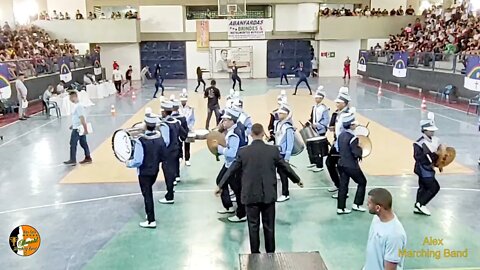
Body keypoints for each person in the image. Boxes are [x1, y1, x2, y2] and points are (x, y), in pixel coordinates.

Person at [216, 123, 303, 253]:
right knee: (269, 227)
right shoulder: (273, 150)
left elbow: (231, 169)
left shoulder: (243, 152)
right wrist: (297, 180)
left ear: (251, 135)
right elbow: (285, 167)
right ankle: (270, 255)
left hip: (250, 195)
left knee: (253, 226)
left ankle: (255, 255)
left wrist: (220, 186)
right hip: (268, 195)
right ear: (263, 134)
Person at [126, 112, 167, 228]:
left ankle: (151, 220)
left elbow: (138, 160)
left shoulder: (141, 141)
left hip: (144, 172)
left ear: (145, 125)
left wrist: (128, 163)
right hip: (155, 170)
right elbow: (163, 155)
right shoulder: (159, 138)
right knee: (148, 192)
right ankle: (148, 214)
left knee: (147, 194)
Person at [213, 109, 244, 221]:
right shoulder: (233, 130)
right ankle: (228, 206)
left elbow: (232, 153)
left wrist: (219, 149)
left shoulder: (234, 135)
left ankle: (241, 214)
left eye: (225, 120)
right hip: (229, 164)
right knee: (220, 181)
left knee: (237, 189)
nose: (223, 122)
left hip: (234, 165)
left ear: (232, 121)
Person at [364, 188, 407, 270]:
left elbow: (390, 267)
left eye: (369, 203)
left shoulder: (395, 235)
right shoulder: (376, 218)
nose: (367, 205)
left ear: (377, 208)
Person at [337, 112, 367, 214]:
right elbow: (355, 153)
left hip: (341, 164)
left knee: (343, 185)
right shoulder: (353, 138)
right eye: (354, 124)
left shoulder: (340, 135)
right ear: (351, 125)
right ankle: (357, 204)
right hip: (351, 166)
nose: (355, 125)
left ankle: (341, 208)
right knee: (362, 182)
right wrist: (360, 148)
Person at [413, 114, 441, 216]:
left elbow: (440, 151)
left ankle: (417, 205)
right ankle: (421, 204)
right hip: (423, 169)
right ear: (424, 130)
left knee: (423, 187)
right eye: (430, 130)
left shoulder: (435, 140)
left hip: (430, 169)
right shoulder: (419, 143)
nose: (432, 132)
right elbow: (418, 157)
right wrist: (432, 158)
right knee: (434, 187)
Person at [326, 90, 351, 198]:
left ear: (344, 103)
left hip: (343, 145)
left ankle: (343, 190)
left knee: (341, 167)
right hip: (336, 143)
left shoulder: (348, 115)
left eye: (338, 102)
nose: (336, 104)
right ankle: (338, 185)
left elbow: (350, 129)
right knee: (330, 163)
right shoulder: (337, 113)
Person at [158, 100, 181, 204]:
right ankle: (171, 189)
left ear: (163, 112)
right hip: (176, 149)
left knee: (167, 172)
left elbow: (165, 141)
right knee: (172, 170)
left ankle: (169, 195)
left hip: (168, 152)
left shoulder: (165, 124)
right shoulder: (175, 121)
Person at [63, 91, 92, 166]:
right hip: (78, 127)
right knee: (83, 143)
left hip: (78, 129)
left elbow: (82, 117)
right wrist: (73, 125)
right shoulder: (77, 106)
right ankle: (88, 157)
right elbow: (77, 118)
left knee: (73, 143)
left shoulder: (79, 106)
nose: (70, 100)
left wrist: (85, 129)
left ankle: (73, 159)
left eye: (70, 98)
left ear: (74, 97)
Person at [274, 105, 295, 202]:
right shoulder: (278, 124)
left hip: (283, 153)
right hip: (278, 151)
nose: (279, 114)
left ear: (286, 114)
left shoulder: (288, 127)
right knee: (279, 171)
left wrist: (287, 156)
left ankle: (285, 193)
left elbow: (290, 143)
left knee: (283, 173)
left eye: (281, 113)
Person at [306, 87, 330, 172]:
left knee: (318, 148)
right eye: (316, 98)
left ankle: (320, 165)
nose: (317, 99)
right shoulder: (314, 107)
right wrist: (308, 123)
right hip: (313, 129)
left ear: (322, 98)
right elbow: (312, 117)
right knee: (312, 146)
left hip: (320, 130)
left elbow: (326, 120)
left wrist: (318, 125)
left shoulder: (324, 108)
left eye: (319, 98)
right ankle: (314, 162)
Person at [170, 95, 188, 185]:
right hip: (178, 142)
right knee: (176, 158)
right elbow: (185, 130)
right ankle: (177, 175)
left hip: (171, 143)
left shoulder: (170, 119)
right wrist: (182, 139)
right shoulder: (183, 118)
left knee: (171, 161)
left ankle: (173, 176)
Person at [179, 89, 195, 167]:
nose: (183, 102)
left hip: (187, 128)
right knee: (179, 144)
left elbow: (192, 119)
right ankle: (180, 156)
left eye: (184, 101)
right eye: (182, 101)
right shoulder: (177, 108)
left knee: (187, 144)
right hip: (179, 128)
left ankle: (187, 159)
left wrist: (190, 126)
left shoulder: (190, 109)